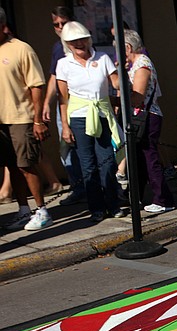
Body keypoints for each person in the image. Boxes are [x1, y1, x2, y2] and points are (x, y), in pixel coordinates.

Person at [56, 22, 123, 222]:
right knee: (87, 165)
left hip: (101, 114)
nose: (79, 44)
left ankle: (113, 203)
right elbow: (62, 98)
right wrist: (65, 127)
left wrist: (126, 77)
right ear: (66, 43)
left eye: (82, 39)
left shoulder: (102, 58)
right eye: (74, 41)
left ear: (89, 39)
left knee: (108, 162)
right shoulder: (63, 64)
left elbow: (116, 82)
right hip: (78, 117)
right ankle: (96, 208)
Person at [0, 8, 52, 231]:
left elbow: (36, 85)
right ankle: (23, 210)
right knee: (12, 167)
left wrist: (37, 120)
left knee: (26, 165)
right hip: (1, 122)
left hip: (21, 117)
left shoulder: (21, 49)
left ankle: (42, 210)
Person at [123, 30, 174, 214]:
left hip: (147, 116)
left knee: (150, 158)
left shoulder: (142, 65)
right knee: (141, 159)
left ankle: (163, 199)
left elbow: (138, 97)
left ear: (128, 47)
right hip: (142, 116)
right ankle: (138, 194)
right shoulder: (135, 65)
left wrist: (116, 98)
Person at [41, 5, 85, 206]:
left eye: (63, 23)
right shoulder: (58, 48)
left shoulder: (83, 45)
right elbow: (54, 77)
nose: (59, 27)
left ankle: (97, 186)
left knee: (88, 148)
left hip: (83, 104)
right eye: (56, 24)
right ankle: (78, 188)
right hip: (63, 105)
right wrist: (47, 104)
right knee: (66, 148)